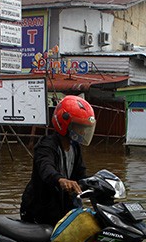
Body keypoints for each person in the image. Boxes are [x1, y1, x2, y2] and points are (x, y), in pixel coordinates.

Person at [20, 95, 96, 226]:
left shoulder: (75, 147)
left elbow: (81, 174)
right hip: (41, 209)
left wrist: (94, 183)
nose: (82, 132)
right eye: (79, 127)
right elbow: (46, 167)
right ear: (64, 123)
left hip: (64, 207)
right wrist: (60, 180)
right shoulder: (46, 145)